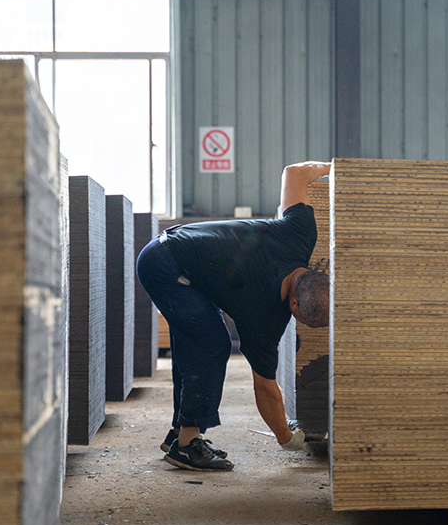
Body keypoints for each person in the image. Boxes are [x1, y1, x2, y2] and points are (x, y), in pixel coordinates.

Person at [136, 161, 331, 472]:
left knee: (194, 339)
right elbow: (264, 389)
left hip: (180, 253)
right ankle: (186, 446)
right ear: (294, 304)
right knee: (211, 344)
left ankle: (179, 432)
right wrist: (286, 438)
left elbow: (295, 172)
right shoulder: (263, 318)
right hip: (164, 265)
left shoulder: (299, 235)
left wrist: (334, 169)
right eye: (305, 321)